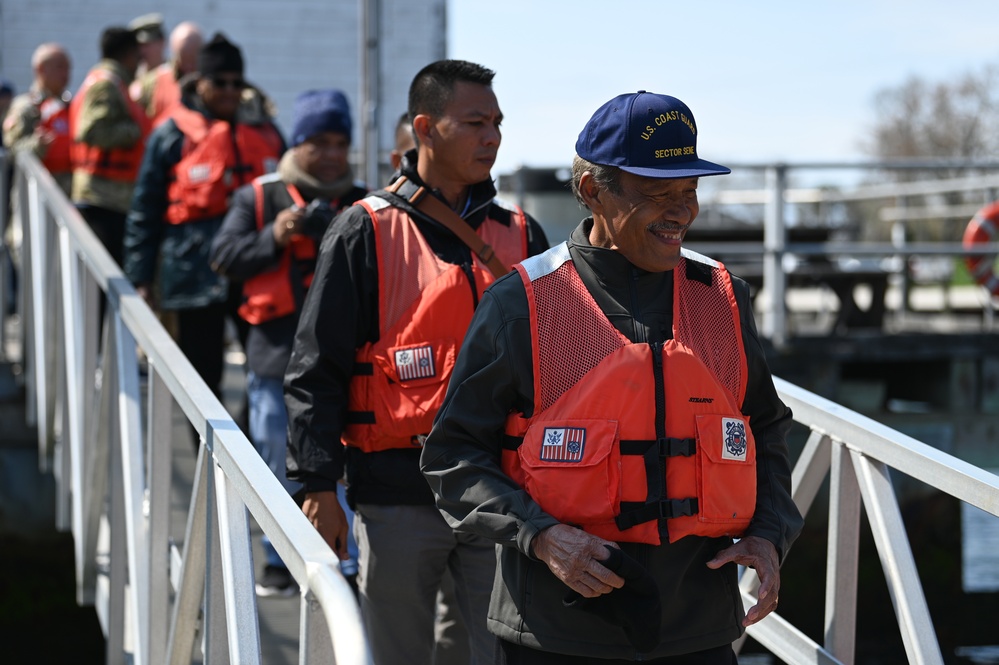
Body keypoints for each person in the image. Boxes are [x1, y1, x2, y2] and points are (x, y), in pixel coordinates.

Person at [421, 91, 805, 664]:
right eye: (658, 194)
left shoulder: (721, 297)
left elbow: (766, 429)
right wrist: (542, 537)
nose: (681, 211)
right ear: (590, 191)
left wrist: (771, 534)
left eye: (689, 191)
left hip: (697, 629)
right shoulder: (520, 304)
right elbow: (453, 455)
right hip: (557, 630)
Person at [284, 59, 549, 665]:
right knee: (393, 652)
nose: (493, 137)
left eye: (498, 122)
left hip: (499, 494)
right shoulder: (362, 230)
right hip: (396, 492)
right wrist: (318, 483)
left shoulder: (524, 236)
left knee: (487, 653)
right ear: (425, 128)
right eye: (475, 122)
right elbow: (315, 366)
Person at [209, 88, 367, 596]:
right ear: (297, 144)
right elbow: (223, 256)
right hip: (276, 354)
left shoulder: (365, 201)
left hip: (350, 359)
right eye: (318, 142)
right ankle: (279, 561)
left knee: (345, 461)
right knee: (276, 455)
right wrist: (273, 236)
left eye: (340, 142)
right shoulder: (259, 197)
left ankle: (342, 561)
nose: (331, 154)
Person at [123, 33, 284, 424]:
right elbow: (145, 208)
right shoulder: (171, 134)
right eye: (220, 82)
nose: (229, 91)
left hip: (256, 269)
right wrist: (140, 278)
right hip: (194, 274)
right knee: (203, 374)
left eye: (236, 83)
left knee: (266, 370)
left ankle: (250, 458)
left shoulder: (267, 131)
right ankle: (207, 461)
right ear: (202, 82)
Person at [69, 26, 150, 268]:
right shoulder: (106, 85)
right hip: (102, 200)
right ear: (127, 55)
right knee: (101, 282)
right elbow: (90, 130)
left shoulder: (113, 83)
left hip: (108, 199)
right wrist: (133, 132)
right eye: (138, 56)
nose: (139, 64)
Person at [3, 44, 73, 194]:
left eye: (68, 68)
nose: (66, 74)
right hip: (34, 197)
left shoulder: (70, 107)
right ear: (41, 69)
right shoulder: (26, 108)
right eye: (60, 67)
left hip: (68, 195)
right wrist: (37, 144)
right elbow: (11, 151)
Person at [131, 21, 204, 127]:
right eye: (184, 61)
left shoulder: (215, 84)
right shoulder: (152, 82)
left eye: (193, 62)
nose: (188, 69)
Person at [128, 13, 166, 81]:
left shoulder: (173, 73)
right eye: (139, 45)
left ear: (162, 42)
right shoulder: (131, 77)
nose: (142, 50)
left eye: (147, 45)